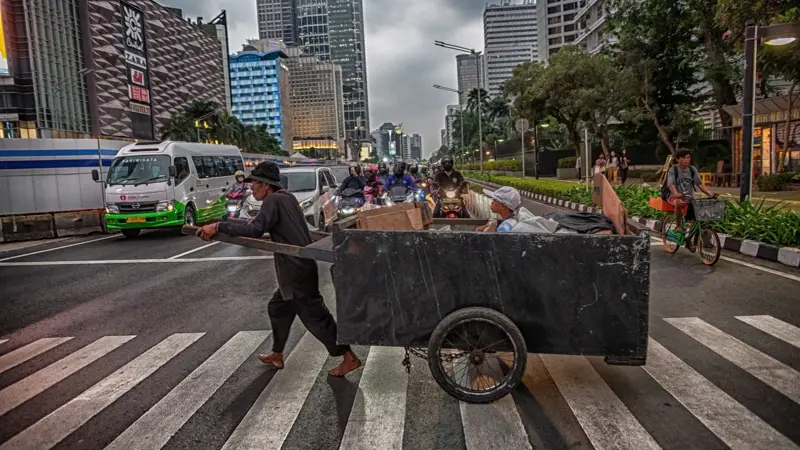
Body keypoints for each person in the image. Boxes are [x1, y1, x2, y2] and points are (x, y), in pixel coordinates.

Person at [195, 162, 362, 377]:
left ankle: (349, 357)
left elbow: (254, 229)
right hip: (297, 267)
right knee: (278, 307)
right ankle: (277, 353)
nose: (251, 187)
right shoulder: (287, 198)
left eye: (255, 182)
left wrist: (219, 226)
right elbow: (262, 225)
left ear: (267, 185)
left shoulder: (273, 200)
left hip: (295, 269)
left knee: (315, 317)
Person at [665, 149, 716, 242]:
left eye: (688, 157)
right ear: (677, 159)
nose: (686, 160)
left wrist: (709, 193)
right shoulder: (673, 170)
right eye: (683, 158)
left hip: (688, 197)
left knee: (695, 216)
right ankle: (678, 225)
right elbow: (671, 184)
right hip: (674, 196)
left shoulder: (692, 170)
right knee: (678, 202)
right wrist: (676, 194)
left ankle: (689, 240)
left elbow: (700, 184)